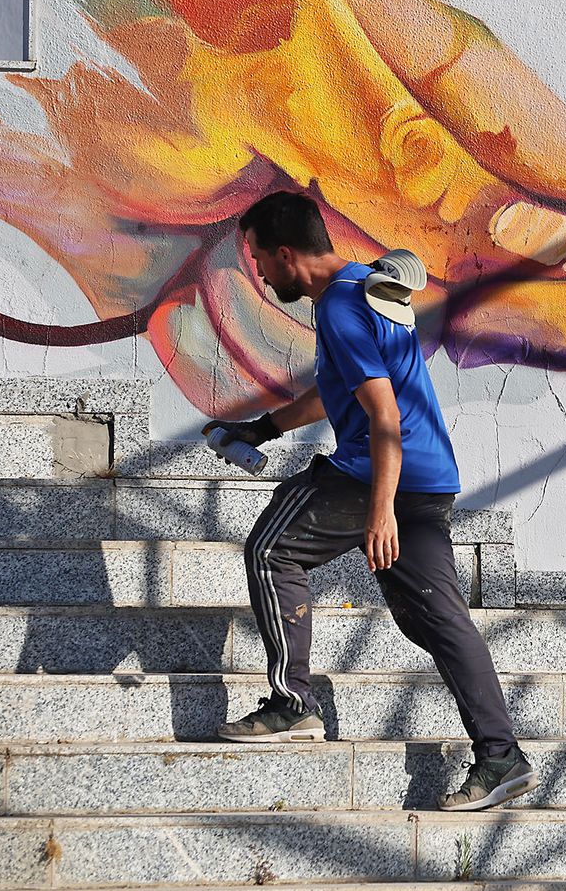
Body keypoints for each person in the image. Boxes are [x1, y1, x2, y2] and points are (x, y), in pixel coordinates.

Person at [202, 190, 538, 813]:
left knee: (272, 548)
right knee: (435, 619)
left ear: (284, 254)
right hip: (429, 476)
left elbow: (382, 415)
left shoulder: (339, 311)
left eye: (257, 259)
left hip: (377, 474)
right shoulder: (360, 288)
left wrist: (378, 511)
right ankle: (502, 757)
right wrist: (263, 429)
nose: (259, 273)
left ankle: (290, 703)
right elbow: (341, 392)